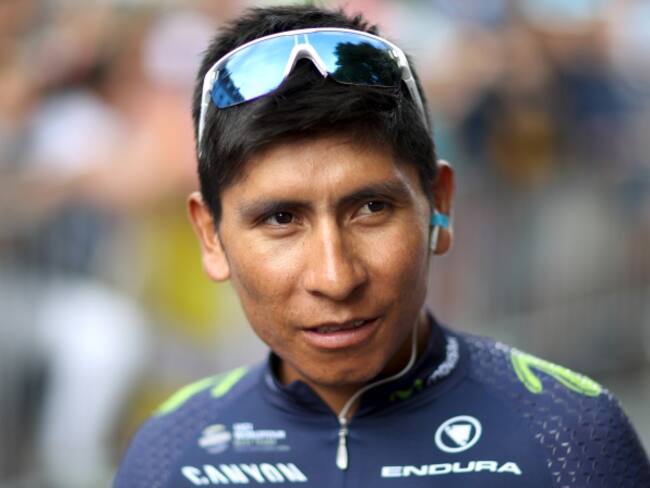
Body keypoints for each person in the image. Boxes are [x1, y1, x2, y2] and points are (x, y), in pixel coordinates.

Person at [113, 5, 650, 487]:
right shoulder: (168, 455)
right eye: (281, 218)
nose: (335, 277)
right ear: (211, 237)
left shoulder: (572, 440)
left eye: (371, 208)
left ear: (439, 204)